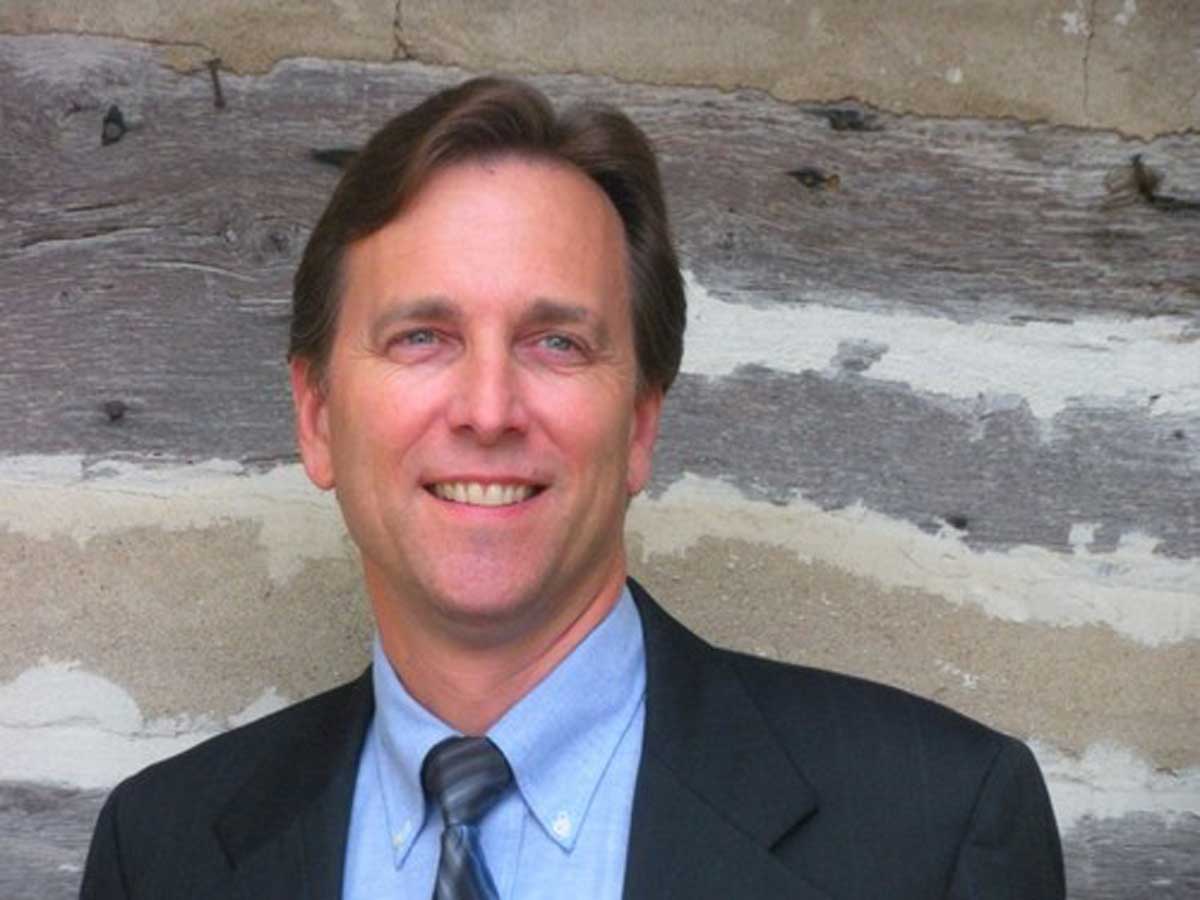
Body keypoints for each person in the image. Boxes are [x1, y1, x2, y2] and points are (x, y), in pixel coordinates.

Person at [80, 77, 1065, 899]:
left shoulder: (936, 831)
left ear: (640, 425)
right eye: (422, 337)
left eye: (557, 342)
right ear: (318, 417)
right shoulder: (160, 852)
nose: (489, 409)